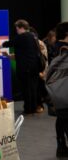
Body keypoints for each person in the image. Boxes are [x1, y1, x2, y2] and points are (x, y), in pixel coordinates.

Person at [0, 19, 40, 115]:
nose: (16, 31)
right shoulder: (33, 37)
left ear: (21, 28)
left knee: (26, 89)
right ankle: (33, 107)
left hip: (25, 68)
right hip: (34, 67)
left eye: (17, 29)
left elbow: (9, 43)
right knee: (33, 88)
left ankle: (28, 109)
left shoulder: (22, 37)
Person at [53, 22, 68, 157]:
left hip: (58, 89)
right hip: (64, 89)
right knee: (64, 118)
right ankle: (61, 146)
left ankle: (61, 146)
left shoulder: (56, 47)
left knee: (62, 118)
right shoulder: (63, 48)